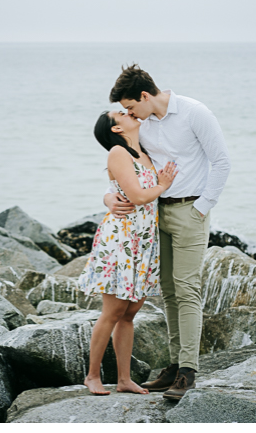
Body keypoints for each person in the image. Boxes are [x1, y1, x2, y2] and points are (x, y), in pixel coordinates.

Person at [104, 65, 231, 400]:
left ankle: (188, 371)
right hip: (156, 215)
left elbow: (221, 162)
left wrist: (202, 207)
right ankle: (174, 366)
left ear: (144, 96)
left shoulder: (194, 112)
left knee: (188, 289)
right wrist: (107, 197)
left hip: (191, 210)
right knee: (169, 292)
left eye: (131, 107)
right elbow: (122, 167)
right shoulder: (142, 126)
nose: (130, 114)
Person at [77, 110, 178, 395]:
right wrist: (163, 185)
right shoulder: (118, 152)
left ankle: (124, 379)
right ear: (117, 128)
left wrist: (108, 195)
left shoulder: (143, 151)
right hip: (121, 238)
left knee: (130, 312)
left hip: (144, 240)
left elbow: (115, 188)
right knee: (113, 311)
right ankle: (92, 376)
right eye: (120, 113)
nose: (128, 112)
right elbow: (137, 196)